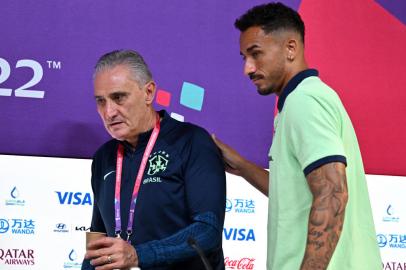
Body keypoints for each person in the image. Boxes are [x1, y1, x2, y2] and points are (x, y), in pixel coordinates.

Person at [212, 2, 382, 270]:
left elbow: (331, 191)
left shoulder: (305, 101)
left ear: (291, 48)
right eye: (245, 57)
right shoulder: (296, 103)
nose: (248, 68)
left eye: (256, 54)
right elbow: (294, 194)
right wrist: (243, 167)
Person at [82, 49, 226, 270]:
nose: (109, 112)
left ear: (148, 93)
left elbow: (208, 231)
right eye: (101, 101)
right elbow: (98, 244)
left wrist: (138, 255)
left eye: (119, 97)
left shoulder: (192, 142)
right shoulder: (103, 157)